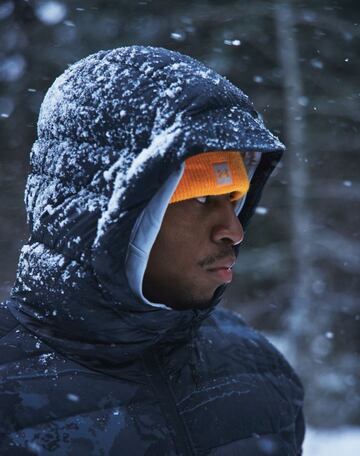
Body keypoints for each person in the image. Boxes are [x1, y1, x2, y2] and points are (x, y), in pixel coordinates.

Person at [0, 46, 304, 455]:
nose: (233, 230)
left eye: (234, 199)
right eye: (201, 198)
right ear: (114, 210)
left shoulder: (260, 372)